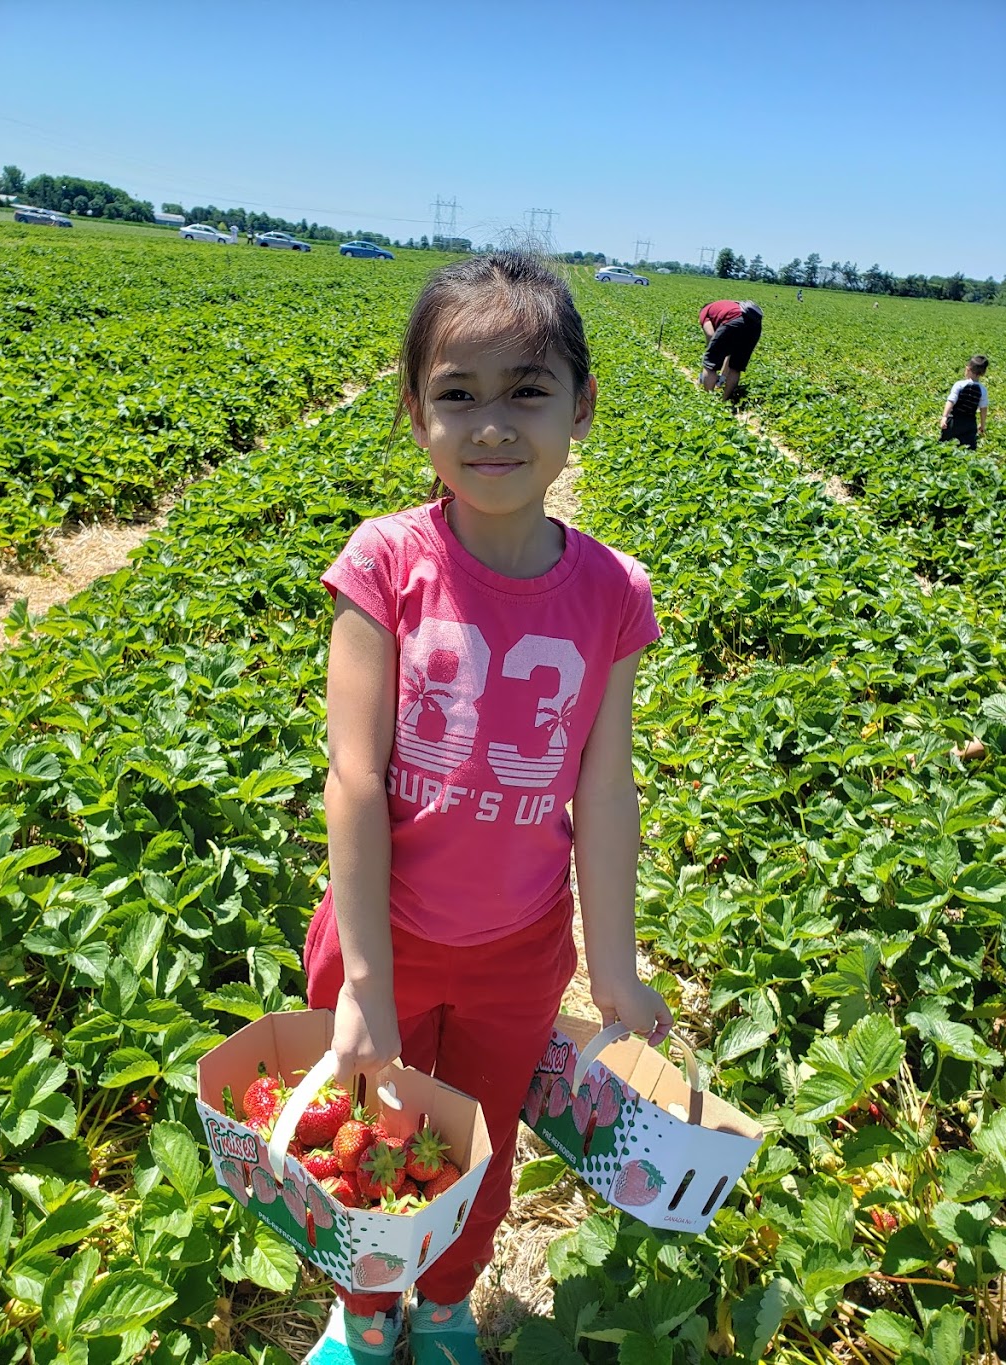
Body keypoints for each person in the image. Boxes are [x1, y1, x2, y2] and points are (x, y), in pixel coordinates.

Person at [303, 252, 671, 1365]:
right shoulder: (388, 564)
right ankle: (366, 1314)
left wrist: (613, 968)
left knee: (477, 1140)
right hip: (384, 942)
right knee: (369, 1133)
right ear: (415, 413)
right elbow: (353, 778)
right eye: (458, 394)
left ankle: (452, 1301)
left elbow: (603, 791)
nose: (492, 425)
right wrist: (365, 986)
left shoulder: (612, 591)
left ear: (581, 409)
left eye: (527, 389)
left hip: (517, 952)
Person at [698, 299, 764, 401]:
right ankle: (724, 400)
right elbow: (729, 352)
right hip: (755, 325)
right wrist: (722, 377)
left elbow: (711, 335)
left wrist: (712, 354)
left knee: (710, 365)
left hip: (734, 320)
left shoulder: (704, 312)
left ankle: (707, 400)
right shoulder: (728, 305)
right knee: (736, 367)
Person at [940, 354, 989, 450]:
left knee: (945, 446)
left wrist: (944, 417)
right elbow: (983, 409)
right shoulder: (982, 390)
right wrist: (982, 425)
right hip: (970, 423)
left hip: (954, 421)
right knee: (968, 449)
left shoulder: (959, 385)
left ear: (968, 369)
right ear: (983, 373)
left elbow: (951, 401)